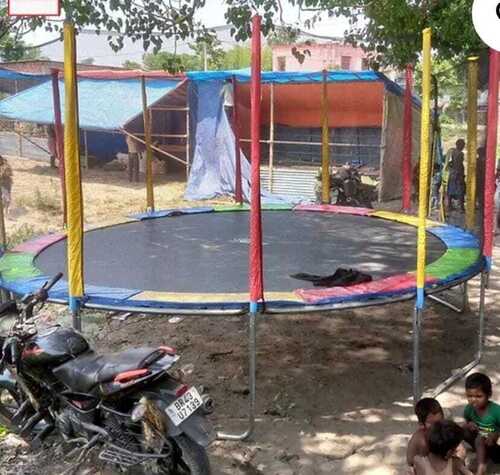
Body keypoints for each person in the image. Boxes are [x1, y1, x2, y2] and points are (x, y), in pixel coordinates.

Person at [463, 372, 500, 475]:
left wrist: (495, 435)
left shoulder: (496, 411)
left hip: (493, 445)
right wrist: (469, 425)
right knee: (463, 430)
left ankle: (481, 467)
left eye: (478, 396)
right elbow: (466, 422)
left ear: (489, 395)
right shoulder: (469, 409)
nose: (473, 400)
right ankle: (482, 455)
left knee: (480, 438)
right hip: (480, 441)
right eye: (469, 396)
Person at [407, 398, 445, 467]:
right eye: (431, 423)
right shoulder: (421, 440)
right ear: (421, 424)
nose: (436, 426)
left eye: (439, 422)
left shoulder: (443, 429)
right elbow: (411, 461)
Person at [446, 139, 466, 212]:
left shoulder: (452, 152)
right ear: (460, 145)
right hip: (458, 174)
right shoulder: (460, 154)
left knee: (451, 190)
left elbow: (449, 163)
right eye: (463, 145)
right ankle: (461, 207)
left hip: (452, 173)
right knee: (461, 190)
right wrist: (461, 175)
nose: (463, 146)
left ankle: (449, 206)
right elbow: (459, 165)